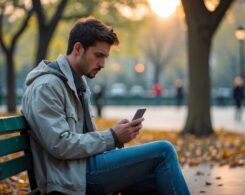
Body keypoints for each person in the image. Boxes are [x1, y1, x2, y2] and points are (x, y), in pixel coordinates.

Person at [21, 17, 190, 195]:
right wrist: (112, 137)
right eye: (98, 55)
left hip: (82, 169)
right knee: (164, 151)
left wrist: (116, 134)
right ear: (78, 49)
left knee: (158, 177)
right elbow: (60, 144)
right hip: (69, 179)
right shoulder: (47, 86)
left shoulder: (77, 83)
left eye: (105, 57)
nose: (102, 64)